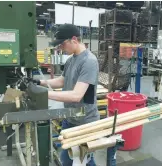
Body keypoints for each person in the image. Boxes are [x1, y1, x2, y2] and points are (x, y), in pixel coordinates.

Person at [34, 24, 99, 166]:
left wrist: (45, 94)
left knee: (84, 160)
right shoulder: (71, 59)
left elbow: (77, 95)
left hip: (85, 121)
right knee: (67, 159)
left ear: (74, 39)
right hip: (70, 118)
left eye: (62, 44)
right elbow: (62, 81)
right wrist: (39, 82)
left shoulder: (89, 61)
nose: (60, 48)